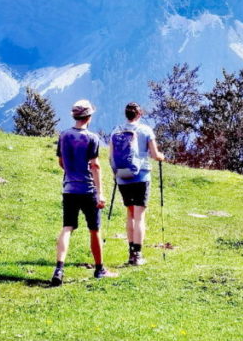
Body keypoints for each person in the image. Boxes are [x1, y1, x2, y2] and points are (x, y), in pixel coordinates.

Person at [51, 99, 116, 283]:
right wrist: (100, 192)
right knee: (94, 229)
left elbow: (61, 162)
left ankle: (59, 270)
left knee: (67, 227)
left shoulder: (64, 135)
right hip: (87, 189)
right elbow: (95, 165)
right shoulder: (92, 138)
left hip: (69, 188)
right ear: (89, 117)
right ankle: (99, 269)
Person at [109, 102, 164, 265]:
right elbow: (155, 155)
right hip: (141, 176)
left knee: (130, 214)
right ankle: (137, 256)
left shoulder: (117, 130)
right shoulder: (146, 130)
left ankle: (130, 253)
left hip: (122, 177)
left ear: (126, 115)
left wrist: (116, 173)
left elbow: (110, 155)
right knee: (139, 216)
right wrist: (161, 156)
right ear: (139, 114)